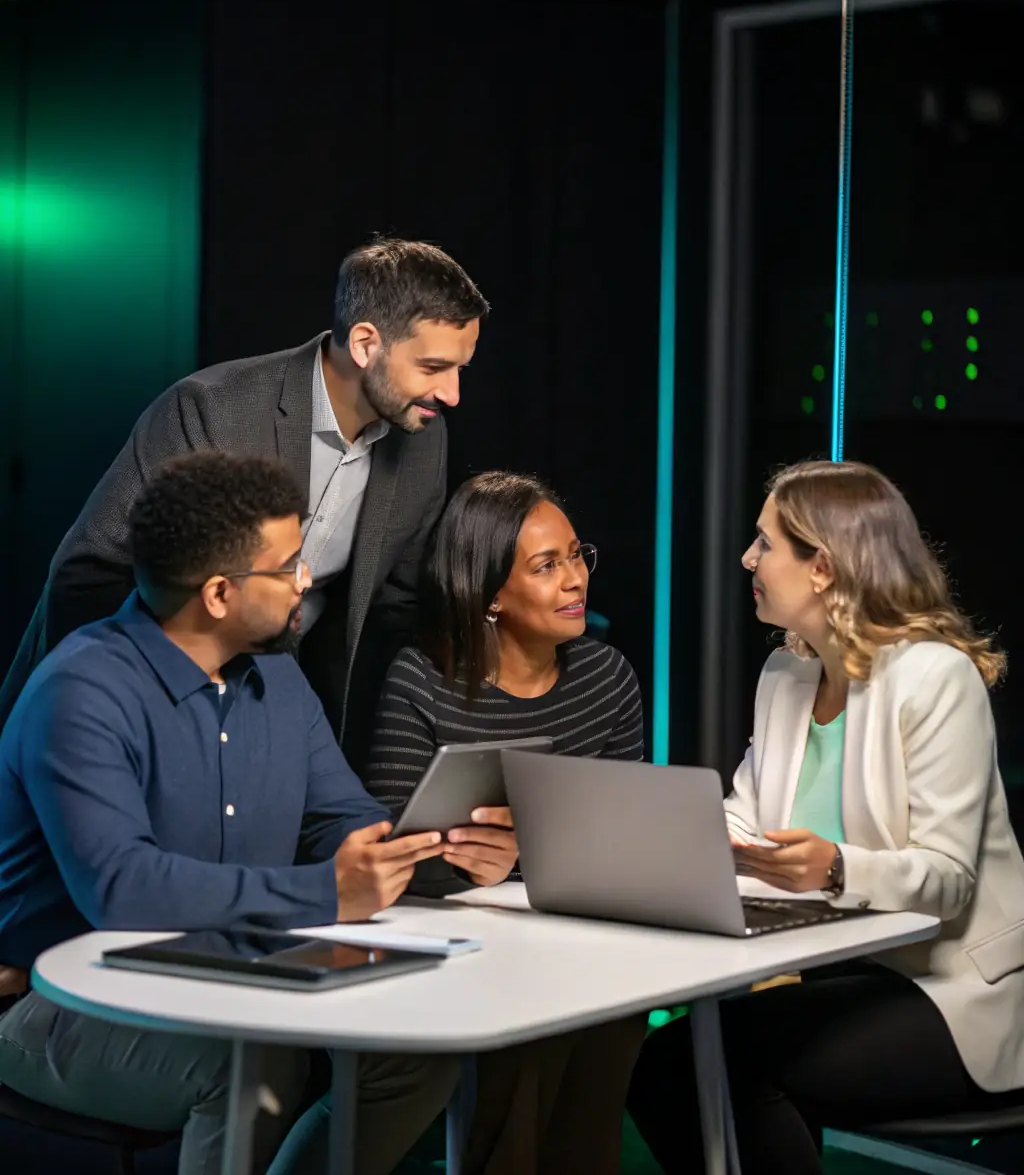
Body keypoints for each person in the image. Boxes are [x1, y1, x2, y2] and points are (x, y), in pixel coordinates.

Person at [0, 452, 513, 1175]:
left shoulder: (276, 672)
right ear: (217, 592)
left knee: (416, 1052)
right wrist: (327, 891)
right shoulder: (83, 691)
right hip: (60, 1000)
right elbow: (121, 889)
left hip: (237, 965)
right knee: (250, 1059)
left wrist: (438, 848)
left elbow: (338, 814)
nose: (305, 579)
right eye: (288, 565)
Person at [628, 459, 1024, 1175]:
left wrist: (836, 866)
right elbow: (744, 817)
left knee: (727, 1068)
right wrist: (683, 838)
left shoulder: (935, 676)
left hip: (960, 990)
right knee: (668, 1063)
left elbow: (950, 879)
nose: (748, 558)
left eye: (766, 543)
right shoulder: (786, 673)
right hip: (853, 973)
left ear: (823, 569)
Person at [0, 236, 488, 775]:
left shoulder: (423, 437)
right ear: (366, 343)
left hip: (282, 726)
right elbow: (90, 576)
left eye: (460, 369)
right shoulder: (211, 410)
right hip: (131, 716)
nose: (451, 394)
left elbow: (394, 609)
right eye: (434, 367)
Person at [365, 470, 647, 1175]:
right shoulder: (421, 681)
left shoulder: (607, 678)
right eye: (547, 566)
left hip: (569, 941)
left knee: (617, 1007)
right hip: (448, 943)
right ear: (489, 593)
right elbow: (385, 860)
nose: (575, 578)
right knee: (531, 1013)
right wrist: (466, 868)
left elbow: (627, 847)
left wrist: (526, 857)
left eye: (576, 555)